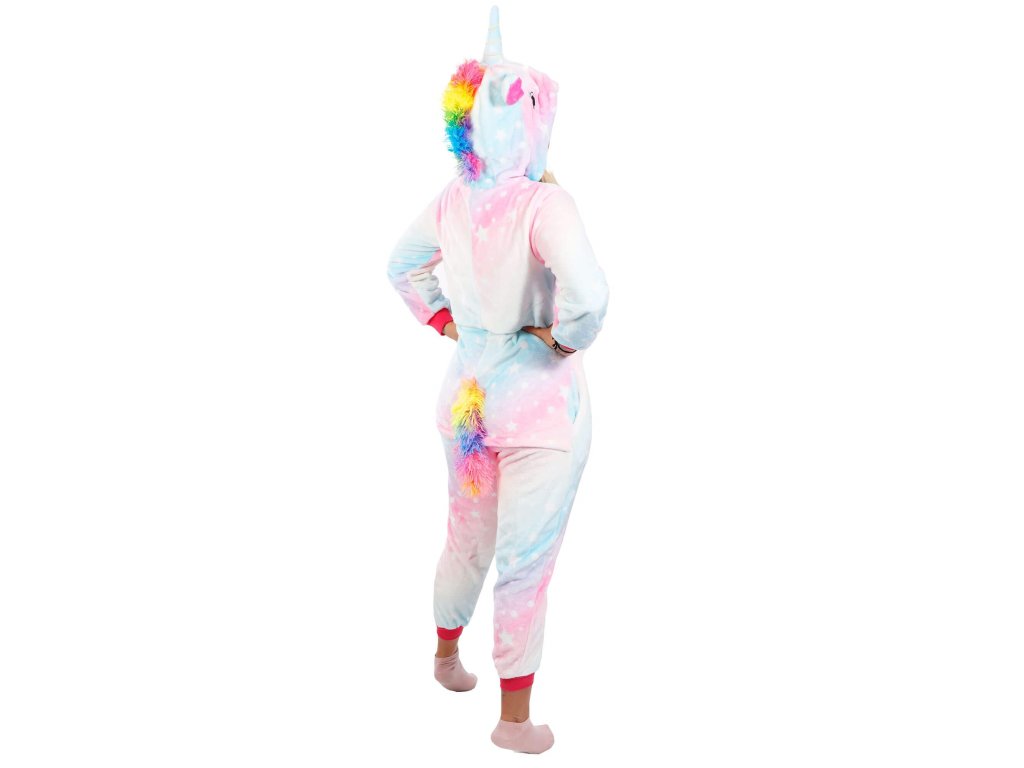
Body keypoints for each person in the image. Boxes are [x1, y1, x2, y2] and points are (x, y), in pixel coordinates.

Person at [385, 6, 609, 754]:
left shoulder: (455, 196)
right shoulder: (545, 202)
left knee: (465, 534)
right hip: (538, 409)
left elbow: (401, 266)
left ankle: (446, 658)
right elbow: (591, 297)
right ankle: (514, 722)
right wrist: (562, 337)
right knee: (526, 559)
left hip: (467, 398)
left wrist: (447, 324)